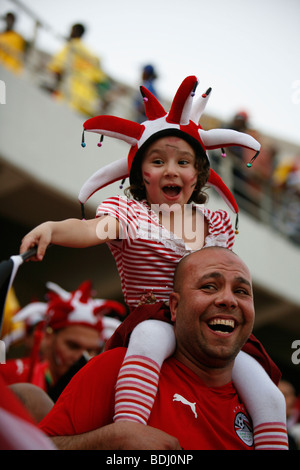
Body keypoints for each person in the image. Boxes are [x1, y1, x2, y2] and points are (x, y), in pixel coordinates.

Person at [20, 75, 286, 449]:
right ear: (140, 175)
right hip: (155, 321)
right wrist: (53, 229)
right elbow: (93, 230)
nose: (171, 170)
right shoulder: (128, 212)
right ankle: (131, 433)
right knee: (147, 337)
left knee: (270, 397)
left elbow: (224, 276)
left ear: (199, 175)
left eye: (183, 162)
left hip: (203, 330)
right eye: (158, 161)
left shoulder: (218, 221)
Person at [38, 248, 287, 450]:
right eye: (209, 286)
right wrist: (108, 441)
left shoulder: (260, 408)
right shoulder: (116, 367)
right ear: (174, 307)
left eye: (241, 291)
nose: (228, 300)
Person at [0, 280, 125, 402]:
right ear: (48, 337)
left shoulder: (101, 397)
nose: (82, 357)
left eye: (92, 350)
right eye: (73, 346)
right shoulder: (8, 376)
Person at [47, 23, 108, 116]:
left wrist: (56, 88)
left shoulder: (71, 47)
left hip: (68, 95)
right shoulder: (91, 54)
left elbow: (57, 68)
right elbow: (100, 79)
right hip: (86, 101)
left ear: (74, 31)